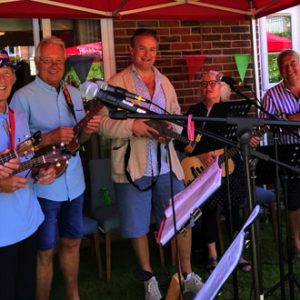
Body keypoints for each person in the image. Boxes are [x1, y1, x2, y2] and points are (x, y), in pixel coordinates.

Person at [98, 28, 203, 300]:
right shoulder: (116, 83)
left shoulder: (165, 82)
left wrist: (182, 134)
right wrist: (133, 125)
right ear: (131, 51)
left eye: (153, 49)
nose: (147, 54)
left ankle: (187, 275)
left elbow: (177, 115)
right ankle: (148, 278)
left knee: (183, 218)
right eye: (142, 48)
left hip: (167, 165)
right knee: (137, 226)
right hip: (133, 167)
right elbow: (103, 125)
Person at [10, 37, 102, 300]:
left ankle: (73, 295)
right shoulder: (22, 97)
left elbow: (76, 141)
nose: (53, 66)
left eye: (58, 61)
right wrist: (49, 136)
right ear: (37, 63)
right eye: (47, 61)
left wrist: (88, 132)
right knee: (45, 250)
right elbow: (17, 148)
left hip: (74, 182)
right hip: (44, 187)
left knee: (72, 242)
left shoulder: (73, 93)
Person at [176, 70, 261, 273]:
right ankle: (212, 255)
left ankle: (237, 254)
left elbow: (242, 139)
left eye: (213, 83)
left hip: (230, 165)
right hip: (204, 168)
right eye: (204, 83)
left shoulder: (231, 111)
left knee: (233, 209)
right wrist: (200, 155)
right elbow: (182, 142)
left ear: (222, 87)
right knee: (209, 210)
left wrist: (250, 142)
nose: (209, 87)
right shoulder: (194, 111)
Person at [0, 49, 56, 300]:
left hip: (28, 221)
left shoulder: (17, 117)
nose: (2, 80)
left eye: (6, 73)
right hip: (2, 233)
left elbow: (25, 163)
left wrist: (42, 170)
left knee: (26, 290)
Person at [260, 49, 300, 260]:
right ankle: (296, 244)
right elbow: (264, 124)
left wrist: (286, 118)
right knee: (293, 201)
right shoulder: (271, 95)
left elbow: (283, 122)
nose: (289, 68)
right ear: (279, 70)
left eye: (293, 63)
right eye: (284, 65)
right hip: (290, 154)